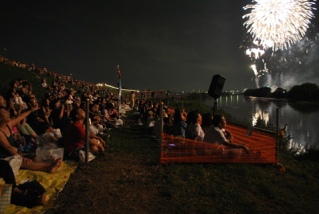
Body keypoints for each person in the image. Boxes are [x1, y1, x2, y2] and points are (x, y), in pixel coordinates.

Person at [0, 107, 62, 173]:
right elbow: (9, 148)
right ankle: (50, 164)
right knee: (24, 162)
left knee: (33, 157)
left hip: (12, 153)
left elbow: (20, 117)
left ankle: (48, 169)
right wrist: (22, 158)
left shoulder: (8, 125)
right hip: (4, 159)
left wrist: (31, 110)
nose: (8, 113)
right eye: (5, 112)